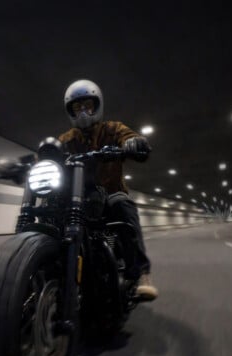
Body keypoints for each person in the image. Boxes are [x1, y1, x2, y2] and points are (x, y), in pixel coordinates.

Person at [57, 79, 158, 301]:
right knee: (53, 210)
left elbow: (129, 137)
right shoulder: (67, 139)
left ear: (97, 106)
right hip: (79, 199)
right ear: (70, 111)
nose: (83, 112)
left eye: (87, 106)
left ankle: (141, 273)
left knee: (123, 206)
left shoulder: (113, 129)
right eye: (77, 107)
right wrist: (30, 162)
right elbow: (50, 152)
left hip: (110, 193)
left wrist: (134, 143)